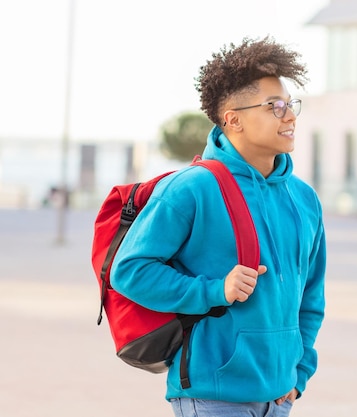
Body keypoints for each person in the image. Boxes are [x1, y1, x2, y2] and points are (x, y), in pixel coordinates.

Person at [110, 37, 326, 417]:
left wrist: (299, 374)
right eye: (275, 106)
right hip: (212, 396)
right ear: (233, 119)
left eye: (291, 105)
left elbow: (311, 297)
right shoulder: (191, 188)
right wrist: (214, 290)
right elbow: (129, 270)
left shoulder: (304, 198)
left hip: (279, 398)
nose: (290, 116)